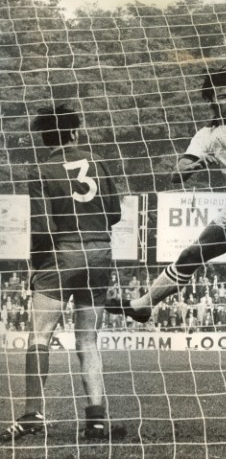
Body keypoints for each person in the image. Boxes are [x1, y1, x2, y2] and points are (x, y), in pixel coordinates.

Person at [105, 68, 226, 321]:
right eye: (223, 97)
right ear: (211, 100)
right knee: (192, 254)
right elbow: (175, 175)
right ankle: (143, 305)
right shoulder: (206, 135)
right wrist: (194, 167)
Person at [1, 106, 125, 441]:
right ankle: (97, 420)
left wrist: (36, 268)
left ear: (44, 138)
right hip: (100, 252)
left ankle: (31, 415)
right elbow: (114, 214)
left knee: (39, 336)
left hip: (63, 254)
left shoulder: (42, 169)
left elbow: (43, 229)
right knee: (87, 339)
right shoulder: (97, 161)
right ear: (74, 132)